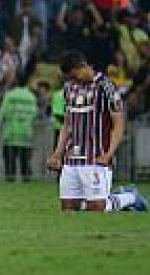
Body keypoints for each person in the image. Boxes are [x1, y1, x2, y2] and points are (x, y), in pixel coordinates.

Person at [47, 51, 147, 212]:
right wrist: (57, 154)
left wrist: (109, 154)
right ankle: (113, 197)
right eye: (70, 77)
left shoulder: (106, 85)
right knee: (69, 208)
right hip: (72, 157)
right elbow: (67, 124)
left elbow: (119, 124)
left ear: (83, 66)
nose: (73, 79)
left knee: (97, 208)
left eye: (74, 75)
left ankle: (130, 197)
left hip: (97, 156)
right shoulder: (69, 88)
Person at [0, 79, 38, 182]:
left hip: (11, 132)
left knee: (10, 160)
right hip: (26, 133)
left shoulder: (10, 95)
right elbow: (34, 114)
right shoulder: (31, 97)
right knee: (25, 159)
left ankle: (10, 179)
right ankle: (26, 178)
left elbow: (3, 113)